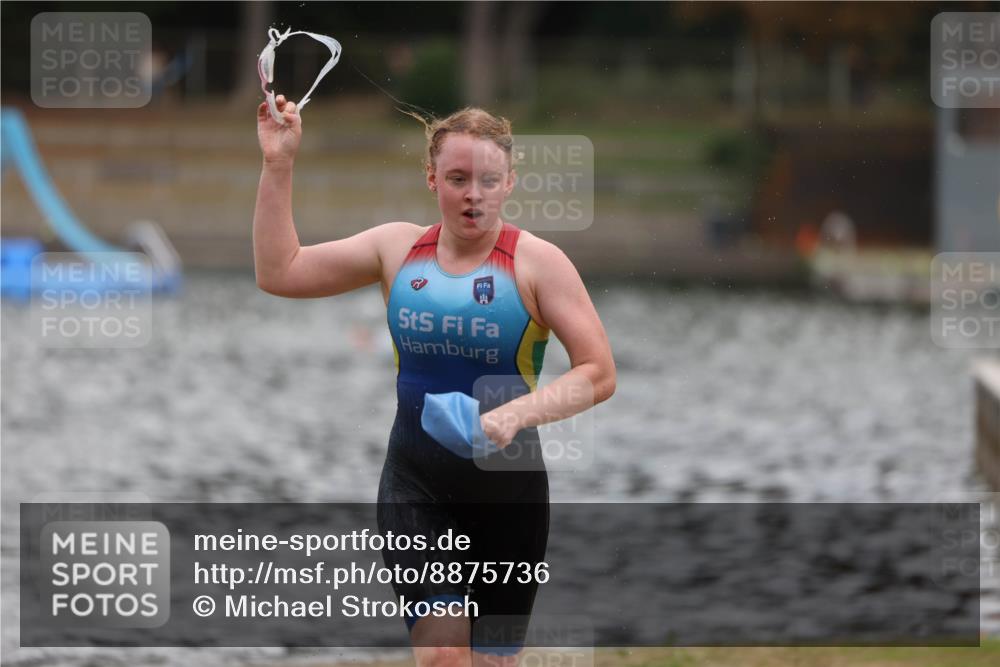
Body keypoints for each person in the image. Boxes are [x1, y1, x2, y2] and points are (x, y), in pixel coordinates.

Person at [253, 95, 616, 667]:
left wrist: (518, 413)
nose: (474, 194)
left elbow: (599, 373)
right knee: (444, 654)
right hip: (414, 482)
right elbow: (280, 272)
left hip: (509, 495)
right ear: (431, 178)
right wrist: (278, 163)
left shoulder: (539, 264)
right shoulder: (396, 249)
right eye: (457, 178)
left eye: (489, 180)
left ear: (509, 183)